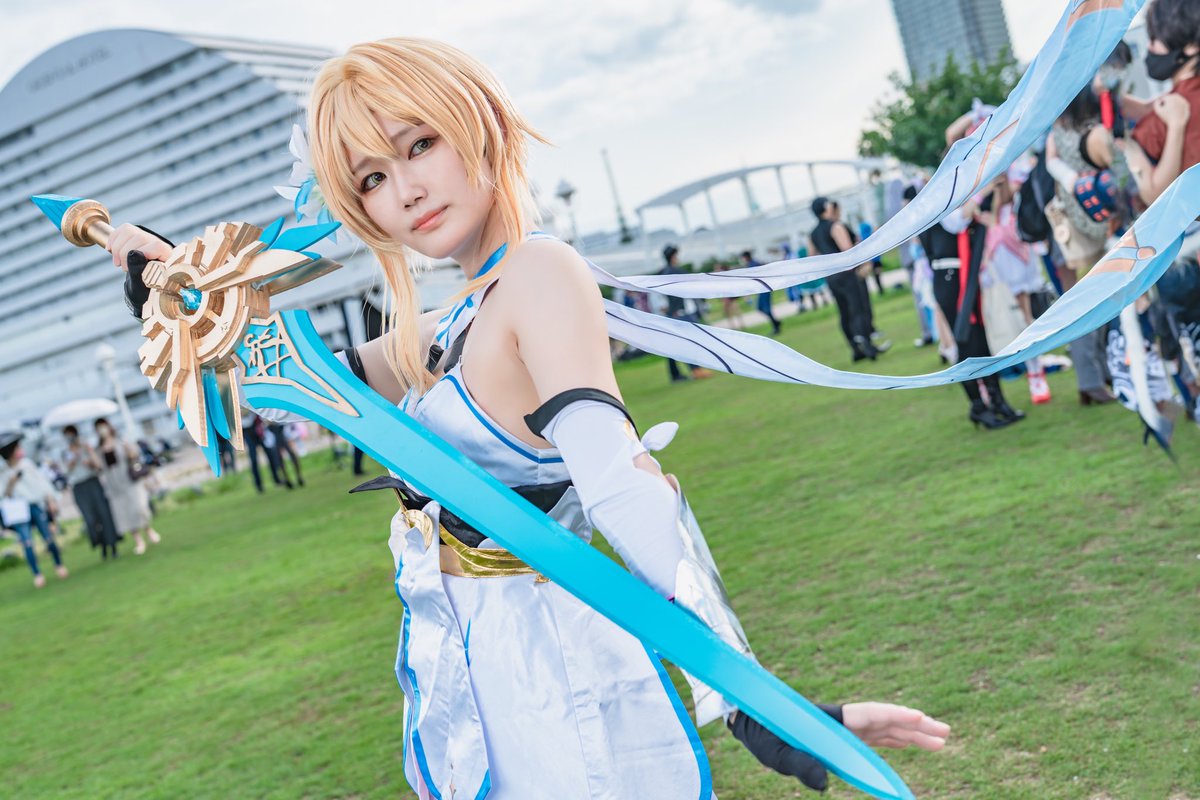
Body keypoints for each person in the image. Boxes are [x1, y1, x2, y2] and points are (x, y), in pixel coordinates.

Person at [103, 38, 949, 798]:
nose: (405, 190)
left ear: (475, 121)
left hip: (557, 674)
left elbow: (620, 485)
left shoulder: (540, 275)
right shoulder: (455, 318)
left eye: (418, 145)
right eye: (371, 178)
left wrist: (750, 702)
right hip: (480, 666)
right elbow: (276, 378)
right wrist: (173, 284)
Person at [1121, 0, 1199, 204]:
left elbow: (1151, 196)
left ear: (1192, 46)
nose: (1149, 46)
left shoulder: (1156, 126)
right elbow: (1149, 106)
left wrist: (1127, 144)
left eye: (1155, 38)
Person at [809, 197, 883, 361]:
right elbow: (848, 251)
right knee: (858, 310)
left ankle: (855, 350)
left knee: (844, 313)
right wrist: (864, 263)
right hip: (847, 274)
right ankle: (868, 347)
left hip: (831, 276)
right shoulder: (835, 226)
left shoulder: (813, 234)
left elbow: (811, 256)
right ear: (826, 207)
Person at [0, 431, 68, 588]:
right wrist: (11, 482)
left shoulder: (27, 464)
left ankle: (59, 564)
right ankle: (37, 574)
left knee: (48, 536)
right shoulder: (4, 472)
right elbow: (4, 495)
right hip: (18, 510)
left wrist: (50, 500)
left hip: (35, 505)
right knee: (27, 542)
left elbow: (42, 484)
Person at [94, 418, 160, 555]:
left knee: (138, 508)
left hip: (129, 480)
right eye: (99, 428)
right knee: (124, 513)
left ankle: (148, 530)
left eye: (103, 426)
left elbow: (134, 455)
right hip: (114, 485)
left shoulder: (120, 441)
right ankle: (138, 541)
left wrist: (128, 449)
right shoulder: (98, 449)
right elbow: (98, 467)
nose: (102, 430)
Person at [62, 424, 121, 559]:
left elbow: (99, 466)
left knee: (104, 514)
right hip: (79, 487)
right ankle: (101, 545)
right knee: (90, 518)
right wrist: (74, 458)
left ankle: (112, 545)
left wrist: (89, 456)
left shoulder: (86, 447)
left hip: (93, 482)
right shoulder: (65, 453)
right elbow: (66, 471)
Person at [659, 244, 713, 382]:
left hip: (683, 311)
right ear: (672, 257)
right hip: (681, 312)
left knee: (684, 342)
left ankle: (690, 371)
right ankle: (695, 370)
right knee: (690, 342)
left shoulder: (667, 272)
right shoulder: (672, 272)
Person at [739, 250, 782, 335]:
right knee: (760, 308)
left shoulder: (753, 265)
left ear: (746, 257)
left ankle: (776, 327)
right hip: (761, 290)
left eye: (743, 258)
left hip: (764, 289)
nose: (742, 259)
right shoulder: (752, 264)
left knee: (766, 308)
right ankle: (776, 322)